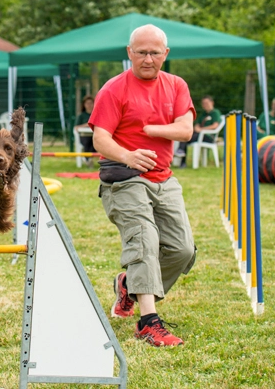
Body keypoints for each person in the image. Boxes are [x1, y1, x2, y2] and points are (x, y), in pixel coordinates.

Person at [89, 24, 197, 347]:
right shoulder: (113, 89)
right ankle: (148, 323)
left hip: (164, 178)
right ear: (129, 53)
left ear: (165, 54)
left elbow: (185, 130)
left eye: (154, 52)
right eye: (141, 52)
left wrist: (151, 129)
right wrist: (128, 155)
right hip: (123, 178)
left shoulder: (176, 86)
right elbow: (100, 138)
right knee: (145, 239)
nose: (148, 59)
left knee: (183, 250)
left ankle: (129, 286)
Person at [175, 95, 222, 168]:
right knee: (185, 136)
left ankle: (180, 152)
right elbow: (197, 124)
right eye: (203, 103)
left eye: (206, 103)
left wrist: (201, 129)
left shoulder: (215, 112)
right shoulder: (204, 114)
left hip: (208, 136)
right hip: (199, 135)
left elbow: (215, 126)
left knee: (186, 137)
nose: (205, 105)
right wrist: (196, 128)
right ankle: (182, 159)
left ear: (212, 103)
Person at [74, 95, 96, 166]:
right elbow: (76, 127)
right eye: (87, 103)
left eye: (91, 103)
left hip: (94, 135)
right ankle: (87, 158)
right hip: (84, 136)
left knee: (96, 141)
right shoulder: (81, 116)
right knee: (87, 141)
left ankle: (87, 158)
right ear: (84, 105)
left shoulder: (97, 114)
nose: (89, 105)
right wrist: (87, 125)